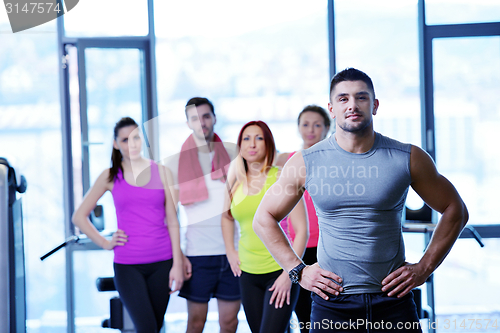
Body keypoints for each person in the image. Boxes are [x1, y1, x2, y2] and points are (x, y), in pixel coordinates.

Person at [253, 68, 469, 332]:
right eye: (343, 99)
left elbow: (455, 209)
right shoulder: (305, 162)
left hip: (393, 301)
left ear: (375, 105)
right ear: (332, 109)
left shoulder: (407, 157)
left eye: (361, 97)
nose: (352, 105)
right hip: (332, 303)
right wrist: (298, 270)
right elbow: (263, 218)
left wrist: (424, 268)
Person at [72, 117, 184, 333]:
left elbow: (173, 220)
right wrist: (105, 243)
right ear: (116, 144)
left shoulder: (162, 172)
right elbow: (79, 217)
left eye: (135, 138)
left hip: (163, 263)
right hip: (128, 266)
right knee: (147, 328)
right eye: (125, 140)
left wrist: (178, 264)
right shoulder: (110, 176)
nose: (131, 144)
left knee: (155, 326)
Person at [221, 120, 309, 333]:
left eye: (259, 138)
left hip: (279, 270)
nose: (252, 144)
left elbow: (302, 231)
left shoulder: (281, 176)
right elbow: (226, 217)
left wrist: (290, 273)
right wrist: (230, 251)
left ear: (268, 143)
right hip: (248, 274)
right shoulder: (234, 181)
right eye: (246, 139)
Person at [164, 97, 241, 333]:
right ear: (188, 123)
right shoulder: (176, 163)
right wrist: (179, 256)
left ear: (214, 118)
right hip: (197, 255)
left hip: (233, 253)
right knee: (195, 323)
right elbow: (171, 215)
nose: (202, 123)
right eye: (195, 118)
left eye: (206, 116)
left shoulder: (234, 153)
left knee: (229, 323)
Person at [275, 105, 330, 333]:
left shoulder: (333, 160)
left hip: (326, 246)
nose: (311, 130)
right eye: (305, 124)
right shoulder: (284, 161)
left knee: (323, 311)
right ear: (298, 128)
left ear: (327, 129)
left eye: (317, 125)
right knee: (298, 312)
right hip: (294, 246)